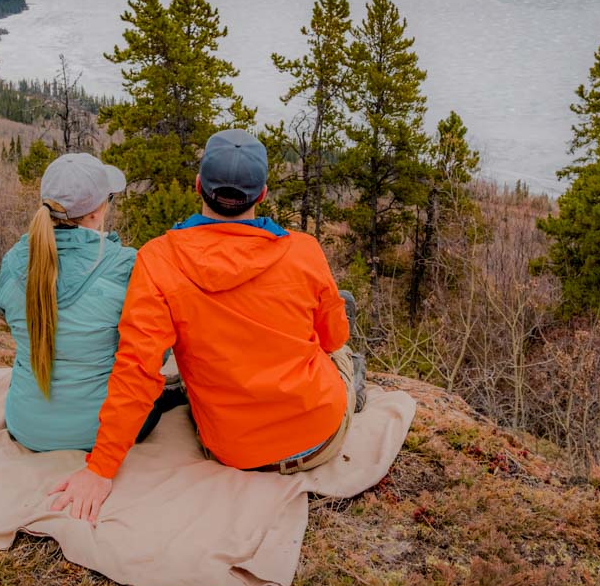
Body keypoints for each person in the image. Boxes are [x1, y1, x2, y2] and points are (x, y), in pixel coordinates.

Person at [51, 129, 367, 522]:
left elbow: (136, 370)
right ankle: (354, 383)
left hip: (234, 450)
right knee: (341, 349)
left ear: (198, 185)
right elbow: (334, 337)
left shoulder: (158, 259)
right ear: (263, 193)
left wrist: (100, 469)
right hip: (319, 437)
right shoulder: (304, 251)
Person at [0, 151, 181, 452]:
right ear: (96, 212)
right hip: (105, 428)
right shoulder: (126, 265)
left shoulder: (12, 262)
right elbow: (152, 354)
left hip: (26, 425)